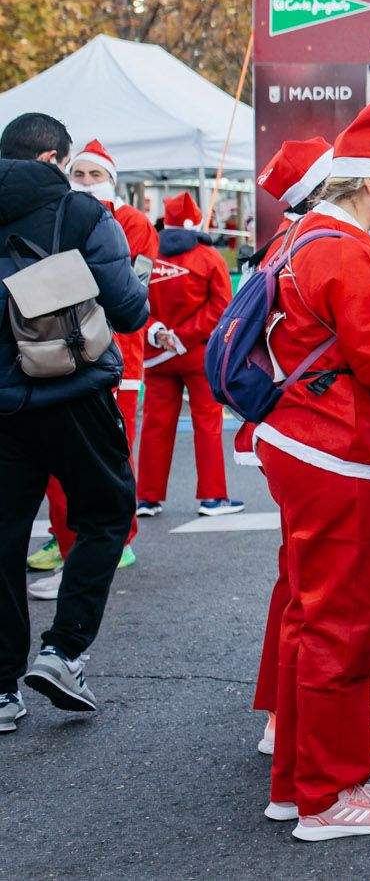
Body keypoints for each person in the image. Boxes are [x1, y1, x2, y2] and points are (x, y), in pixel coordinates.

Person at [254, 99, 370, 840]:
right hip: (336, 449)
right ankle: (329, 796)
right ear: (368, 182)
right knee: (343, 623)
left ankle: (297, 783)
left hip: (304, 441)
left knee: (309, 617)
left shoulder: (306, 235)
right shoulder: (346, 250)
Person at [241, 137, 370, 763]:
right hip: (329, 440)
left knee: (303, 598)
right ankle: (321, 770)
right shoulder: (336, 248)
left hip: (292, 433)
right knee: (333, 613)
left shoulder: (294, 241)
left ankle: (293, 740)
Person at [0, 113, 150, 731]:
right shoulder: (82, 213)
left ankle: (1, 690)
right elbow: (129, 309)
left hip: (2, 404)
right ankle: (64, 651)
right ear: (52, 160)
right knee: (108, 515)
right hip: (74, 392)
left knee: (4, 536)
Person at [29, 139, 153, 590]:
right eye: (78, 174)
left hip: (119, 354)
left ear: (110, 180)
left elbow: (131, 290)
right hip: (61, 349)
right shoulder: (60, 213)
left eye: (94, 175)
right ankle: (64, 534)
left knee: (113, 452)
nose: (85, 182)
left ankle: (120, 538)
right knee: (57, 454)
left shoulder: (134, 222)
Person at [134, 193, 238, 519]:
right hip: (198, 355)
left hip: (156, 356)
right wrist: (183, 336)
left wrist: (157, 332)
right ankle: (212, 497)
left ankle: (147, 497)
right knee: (207, 424)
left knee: (154, 426)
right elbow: (221, 308)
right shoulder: (209, 257)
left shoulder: (146, 255)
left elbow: (132, 300)